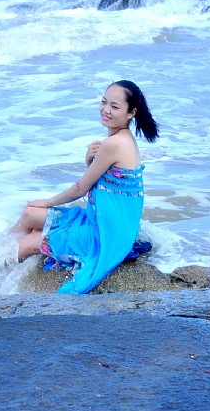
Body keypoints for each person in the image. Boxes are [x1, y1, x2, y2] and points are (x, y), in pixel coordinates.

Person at [11, 80, 159, 294]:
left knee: (26, 243)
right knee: (29, 214)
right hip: (103, 221)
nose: (106, 110)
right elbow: (106, 182)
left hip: (104, 235)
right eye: (104, 102)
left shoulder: (113, 143)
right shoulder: (123, 139)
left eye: (114, 106)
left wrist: (47, 202)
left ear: (131, 113)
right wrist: (89, 161)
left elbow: (81, 188)